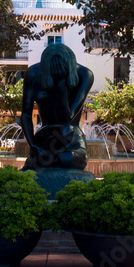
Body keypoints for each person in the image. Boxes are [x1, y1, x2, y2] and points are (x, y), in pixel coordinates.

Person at [20, 43, 94, 171]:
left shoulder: (84, 75)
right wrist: (32, 145)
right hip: (45, 136)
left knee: (68, 158)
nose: (56, 71)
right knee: (56, 158)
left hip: (71, 136)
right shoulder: (33, 74)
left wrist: (60, 84)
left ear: (69, 65)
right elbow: (26, 114)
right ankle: (44, 160)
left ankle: (42, 161)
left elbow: (67, 118)